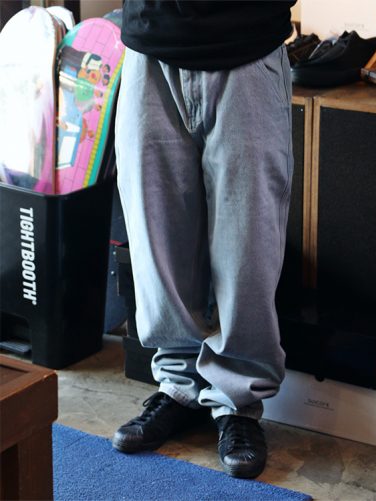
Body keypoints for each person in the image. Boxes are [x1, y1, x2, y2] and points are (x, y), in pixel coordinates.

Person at [113, 0, 296, 479]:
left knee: (248, 245)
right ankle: (179, 385)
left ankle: (237, 400)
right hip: (150, 43)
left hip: (247, 46)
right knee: (157, 237)